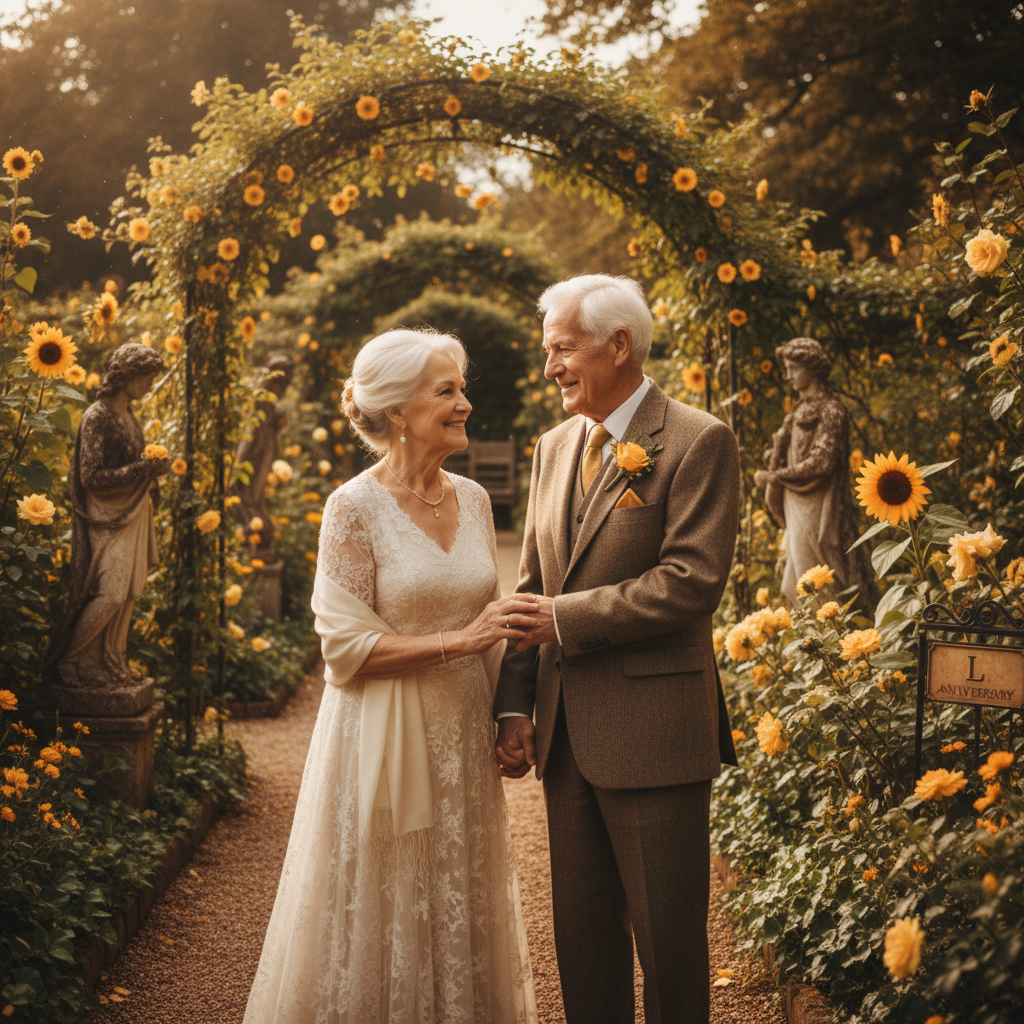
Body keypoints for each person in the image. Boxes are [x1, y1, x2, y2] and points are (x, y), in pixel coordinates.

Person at [244, 329, 538, 1024]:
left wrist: (509, 715)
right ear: (399, 411)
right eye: (448, 391)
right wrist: (458, 641)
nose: (466, 403)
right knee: (386, 906)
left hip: (462, 735)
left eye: (462, 388)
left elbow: (486, 617)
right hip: (380, 738)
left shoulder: (473, 499)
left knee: (457, 893)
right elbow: (343, 650)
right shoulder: (352, 508)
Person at [494, 275, 740, 1024]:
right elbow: (531, 583)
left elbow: (691, 582)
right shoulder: (552, 447)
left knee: (669, 951)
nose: (550, 368)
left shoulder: (699, 439)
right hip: (565, 738)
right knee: (582, 942)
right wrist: (511, 704)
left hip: (656, 735)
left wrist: (565, 620)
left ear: (619, 344)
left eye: (562, 349)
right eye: (548, 352)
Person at [46, 342, 168, 691]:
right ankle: (70, 661)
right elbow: (91, 477)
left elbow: (134, 467)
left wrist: (150, 472)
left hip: (130, 512)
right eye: (145, 379)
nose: (148, 386)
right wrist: (141, 468)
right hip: (106, 517)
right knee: (111, 593)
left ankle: (109, 660)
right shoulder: (97, 416)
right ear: (127, 375)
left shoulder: (129, 416)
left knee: (128, 593)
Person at [754, 336, 875, 611]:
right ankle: (814, 639)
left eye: (794, 368)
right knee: (799, 578)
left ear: (812, 368)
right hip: (794, 501)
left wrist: (777, 476)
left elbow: (822, 460)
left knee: (827, 570)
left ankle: (840, 631)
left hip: (820, 505)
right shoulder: (796, 411)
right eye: (786, 369)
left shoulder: (831, 409)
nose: (788, 377)